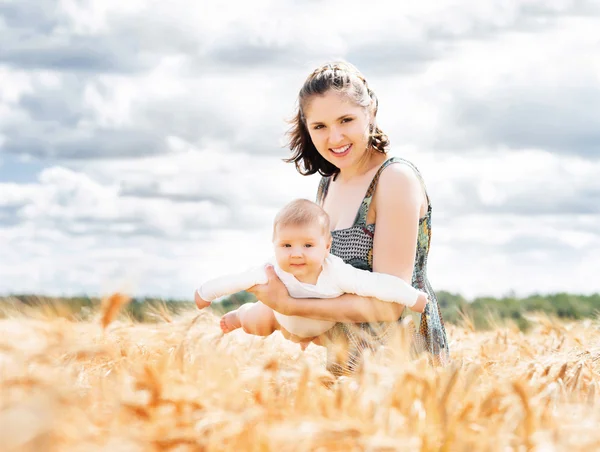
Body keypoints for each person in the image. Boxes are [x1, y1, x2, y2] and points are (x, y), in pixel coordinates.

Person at [243, 61, 449, 375]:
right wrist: (290, 320)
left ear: (372, 113)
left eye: (346, 120)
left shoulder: (394, 179)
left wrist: (288, 306)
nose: (335, 137)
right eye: (320, 126)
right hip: (346, 366)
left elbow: (389, 304)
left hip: (403, 366)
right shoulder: (328, 185)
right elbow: (329, 285)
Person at [195, 199, 429, 349]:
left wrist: (412, 297)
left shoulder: (338, 272)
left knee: (327, 338)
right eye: (286, 246)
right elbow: (236, 280)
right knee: (258, 323)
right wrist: (205, 293)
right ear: (274, 244)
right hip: (279, 315)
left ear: (327, 246)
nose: (296, 254)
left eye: (307, 246)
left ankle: (308, 338)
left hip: (321, 325)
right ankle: (239, 316)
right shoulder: (271, 270)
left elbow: (378, 284)